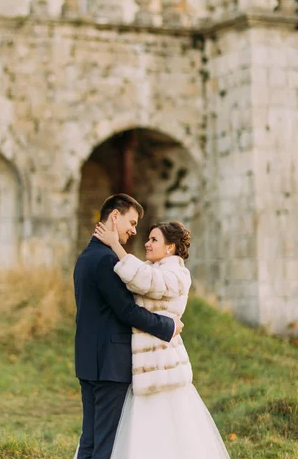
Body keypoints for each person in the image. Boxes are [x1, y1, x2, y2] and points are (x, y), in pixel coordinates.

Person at [93, 219, 231, 459]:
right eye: (148, 238)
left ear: (170, 248)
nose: (147, 243)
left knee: (169, 433)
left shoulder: (177, 274)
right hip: (145, 365)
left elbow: (146, 281)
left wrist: (116, 246)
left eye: (154, 240)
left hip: (163, 364)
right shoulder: (152, 269)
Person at [73, 194, 184, 459]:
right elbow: (127, 311)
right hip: (110, 364)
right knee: (105, 443)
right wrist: (168, 325)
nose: (134, 230)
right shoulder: (107, 260)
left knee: (89, 439)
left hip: (87, 359)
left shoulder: (85, 257)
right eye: (131, 222)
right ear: (115, 217)